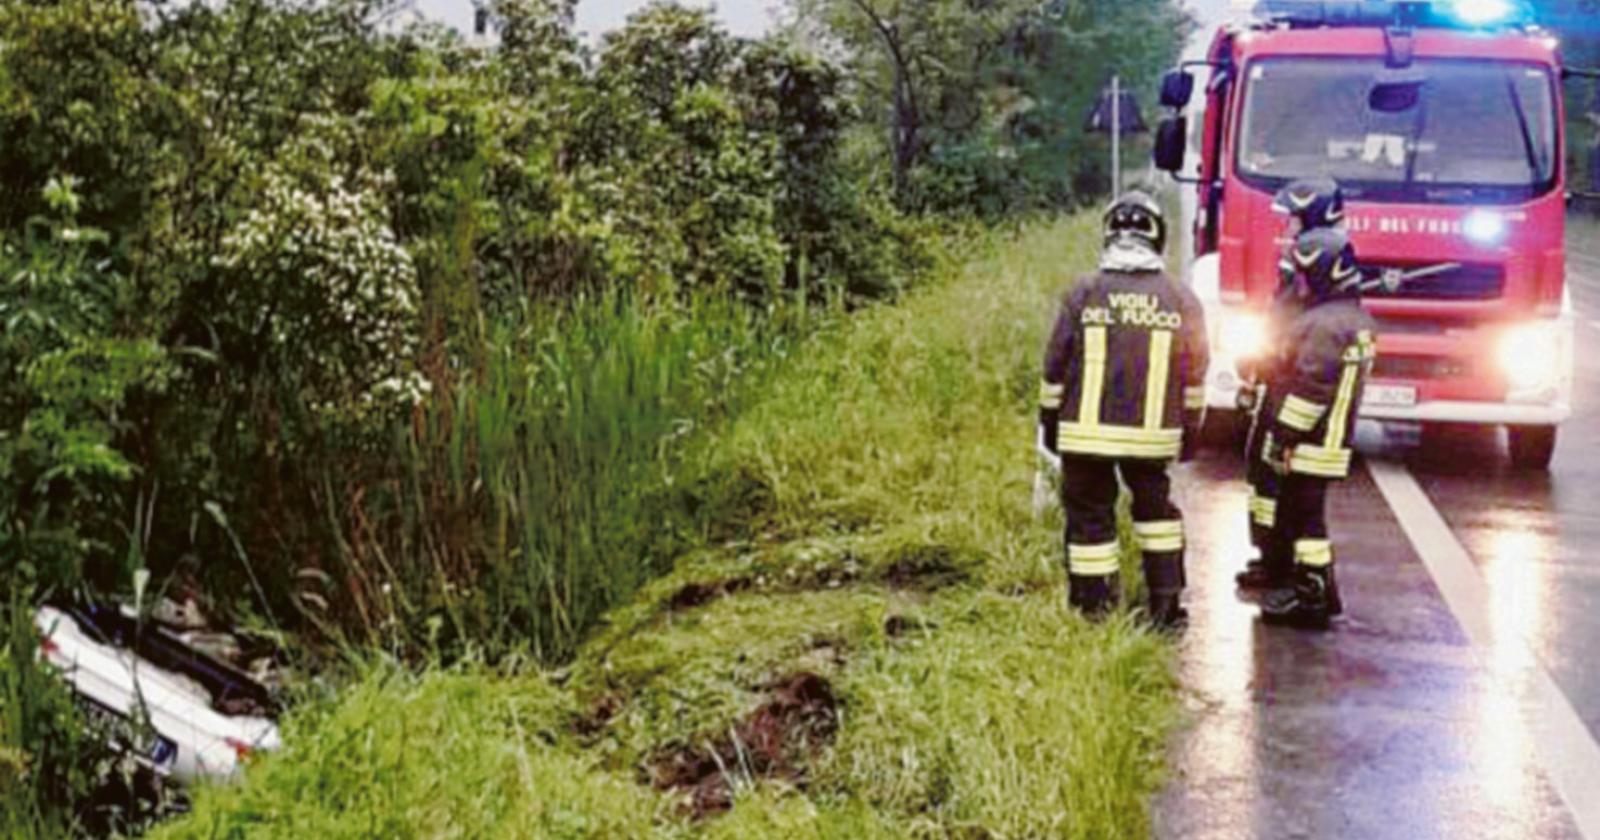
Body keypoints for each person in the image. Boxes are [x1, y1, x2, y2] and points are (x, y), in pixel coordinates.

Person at [1038, 191, 1208, 629]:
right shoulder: (1181, 298)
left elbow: (1055, 364)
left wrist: (1049, 422)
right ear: (1158, 239)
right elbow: (1195, 372)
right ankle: (1166, 608)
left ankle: (1094, 612)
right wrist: (1191, 431)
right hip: (1153, 439)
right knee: (1157, 516)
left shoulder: (1083, 292)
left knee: (1090, 519)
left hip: (1085, 436)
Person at [1258, 226, 1376, 629]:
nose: (1297, 286)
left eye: (1302, 276)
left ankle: (1311, 598)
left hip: (1311, 441)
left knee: (1305, 520)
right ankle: (1322, 593)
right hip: (1333, 439)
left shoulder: (1322, 327)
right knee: (1307, 515)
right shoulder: (1355, 321)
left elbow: (1310, 390)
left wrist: (1282, 437)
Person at [1237, 177, 1348, 591]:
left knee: (1281, 478)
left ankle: (1283, 566)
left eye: (1294, 218)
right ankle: (1271, 556)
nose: (1288, 228)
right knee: (1263, 472)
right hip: (1280, 373)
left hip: (1290, 379)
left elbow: (1286, 320)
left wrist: (1259, 358)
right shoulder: (1315, 252)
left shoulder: (1318, 256)